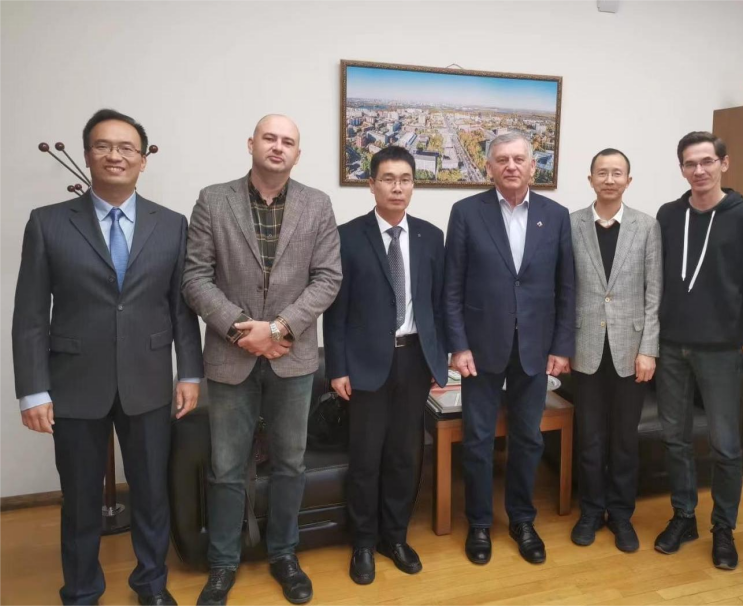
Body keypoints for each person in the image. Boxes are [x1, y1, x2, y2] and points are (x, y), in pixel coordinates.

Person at [12, 108, 203, 606]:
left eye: (126, 148)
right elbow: (30, 314)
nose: (115, 155)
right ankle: (80, 591)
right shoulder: (48, 223)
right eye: (103, 146)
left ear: (143, 160)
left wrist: (190, 373)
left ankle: (151, 586)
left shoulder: (171, 224)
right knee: (79, 500)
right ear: (87, 155)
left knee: (152, 494)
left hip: (149, 381)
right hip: (75, 383)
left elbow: (180, 309)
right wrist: (32, 390)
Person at [182, 114, 341, 606]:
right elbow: (195, 278)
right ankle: (223, 563)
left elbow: (328, 278)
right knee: (227, 467)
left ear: (298, 153)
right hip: (231, 357)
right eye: (269, 138)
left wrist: (277, 329)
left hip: (293, 357)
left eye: (287, 141)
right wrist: (241, 331)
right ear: (251, 143)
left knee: (291, 464)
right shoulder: (214, 200)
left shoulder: (318, 204)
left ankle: (284, 555)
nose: (277, 146)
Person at [444, 131, 575, 566]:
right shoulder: (466, 212)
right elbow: (452, 287)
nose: (511, 166)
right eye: (502, 159)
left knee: (528, 438)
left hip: (535, 347)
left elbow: (566, 287)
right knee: (478, 440)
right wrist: (458, 345)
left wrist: (562, 346)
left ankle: (522, 520)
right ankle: (480, 523)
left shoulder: (556, 216)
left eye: (519, 159)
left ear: (533, 166)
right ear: (489, 168)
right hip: (480, 348)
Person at [324, 145, 448, 585]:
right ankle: (363, 542)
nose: (398, 187)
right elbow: (335, 311)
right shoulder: (346, 236)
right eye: (389, 179)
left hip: (414, 360)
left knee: (404, 455)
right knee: (365, 458)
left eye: (406, 179)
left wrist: (439, 359)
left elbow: (438, 305)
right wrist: (337, 367)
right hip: (365, 364)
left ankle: (394, 537)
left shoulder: (431, 236)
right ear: (372, 184)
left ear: (414, 184)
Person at [654, 131, 743, 569]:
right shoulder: (668, 215)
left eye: (707, 161)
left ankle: (724, 527)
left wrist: (740, 334)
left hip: (721, 350)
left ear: (724, 163)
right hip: (670, 346)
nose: (699, 170)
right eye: (690, 163)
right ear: (681, 169)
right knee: (675, 438)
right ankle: (684, 516)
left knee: (725, 444)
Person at [568, 148, 661, 552]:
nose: (609, 179)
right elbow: (563, 290)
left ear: (628, 180)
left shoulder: (647, 226)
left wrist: (649, 349)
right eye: (602, 173)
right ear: (590, 179)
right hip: (584, 346)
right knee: (589, 438)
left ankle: (621, 514)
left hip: (631, 349)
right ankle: (590, 511)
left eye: (617, 173)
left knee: (624, 439)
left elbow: (654, 293)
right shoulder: (571, 224)